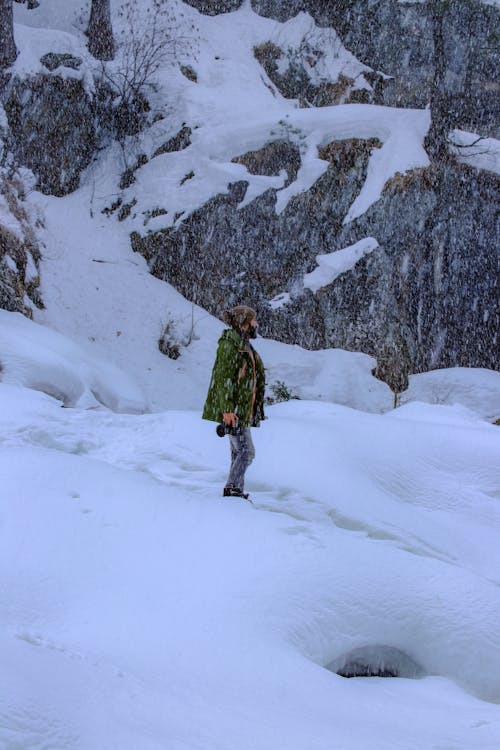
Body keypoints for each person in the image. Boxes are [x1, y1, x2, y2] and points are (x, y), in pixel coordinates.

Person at [203, 305, 266, 500]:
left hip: (241, 408)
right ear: (246, 323)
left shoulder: (242, 343)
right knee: (247, 452)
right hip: (234, 409)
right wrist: (227, 409)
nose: (257, 324)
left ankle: (236, 491)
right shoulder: (230, 344)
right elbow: (223, 378)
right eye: (254, 320)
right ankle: (232, 489)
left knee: (238, 452)